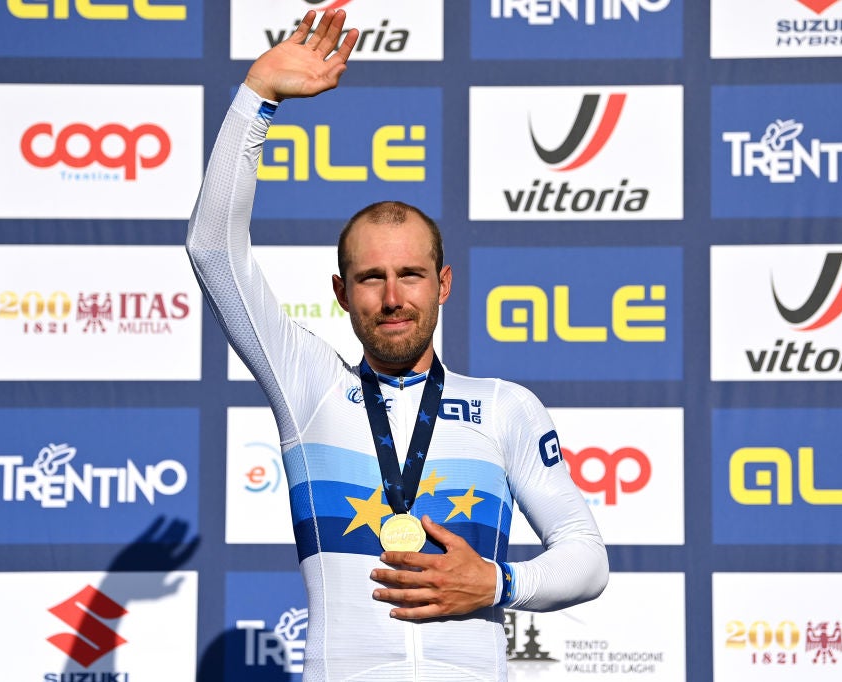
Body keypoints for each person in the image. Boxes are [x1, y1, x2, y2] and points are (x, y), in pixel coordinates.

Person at [187, 9, 608, 680]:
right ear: (340, 290)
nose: (390, 297)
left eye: (410, 274)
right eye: (370, 278)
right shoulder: (310, 387)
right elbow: (213, 251)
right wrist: (256, 97)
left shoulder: (503, 406)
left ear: (443, 284)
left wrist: (500, 584)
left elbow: (587, 556)